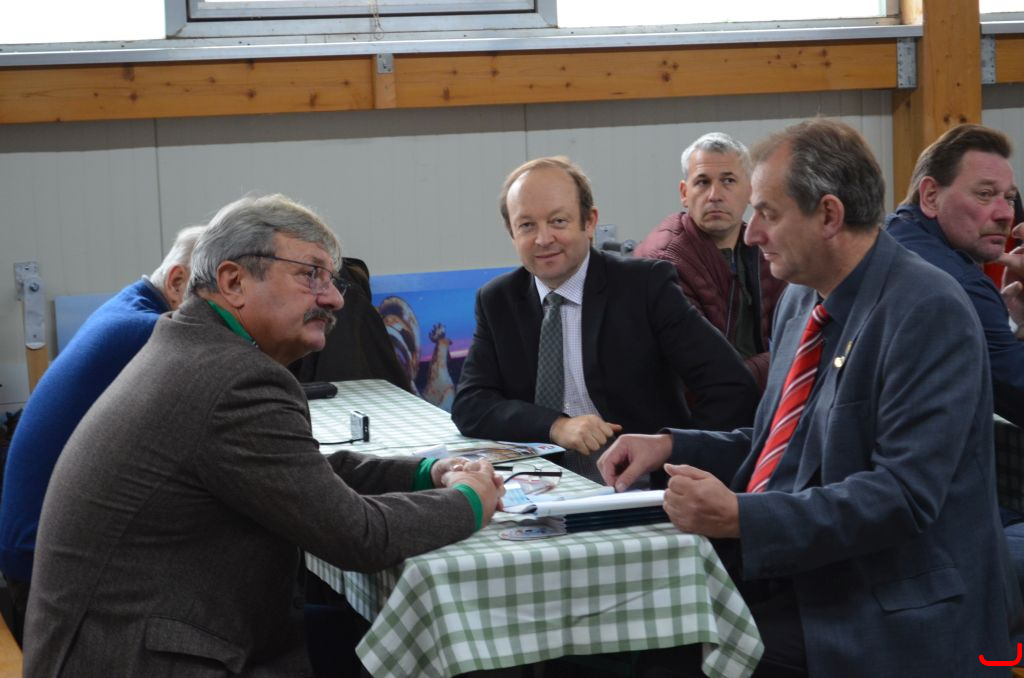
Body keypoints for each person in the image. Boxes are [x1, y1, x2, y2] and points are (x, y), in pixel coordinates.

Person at [598, 119, 1019, 676]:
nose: (751, 234)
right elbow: (780, 445)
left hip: (894, 606)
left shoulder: (927, 310)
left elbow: (901, 497)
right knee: (617, 633)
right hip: (812, 575)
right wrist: (671, 445)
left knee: (668, 655)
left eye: (767, 213)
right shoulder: (801, 300)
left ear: (828, 215)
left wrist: (741, 517)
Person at [22, 194, 502, 676]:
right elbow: (358, 536)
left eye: (332, 280)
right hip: (142, 658)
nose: (335, 299)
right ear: (233, 281)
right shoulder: (234, 379)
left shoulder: (190, 344)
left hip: (124, 640)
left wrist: (423, 472)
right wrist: (470, 500)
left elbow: (300, 475)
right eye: (311, 275)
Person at [452, 156, 758, 481]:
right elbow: (471, 404)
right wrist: (556, 426)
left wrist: (676, 458)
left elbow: (731, 386)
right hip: (540, 484)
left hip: (638, 484)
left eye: (558, 221)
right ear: (511, 232)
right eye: (527, 225)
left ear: (590, 222)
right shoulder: (498, 300)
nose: (543, 239)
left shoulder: (644, 287)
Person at [0, 223, 204, 646]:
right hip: (46, 566)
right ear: (177, 282)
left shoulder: (128, 305)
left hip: (34, 549)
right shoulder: (147, 332)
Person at [886, 124, 1023, 427]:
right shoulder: (958, 283)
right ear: (931, 196)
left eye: (1010, 198)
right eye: (985, 194)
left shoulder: (891, 234)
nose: (1005, 214)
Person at [635, 132, 786, 390]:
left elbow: (801, 330)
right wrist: (785, 360)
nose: (715, 194)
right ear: (685, 193)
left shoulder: (764, 248)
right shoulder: (664, 263)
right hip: (694, 409)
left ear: (750, 190)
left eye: (728, 181)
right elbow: (709, 376)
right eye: (703, 182)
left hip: (754, 399)